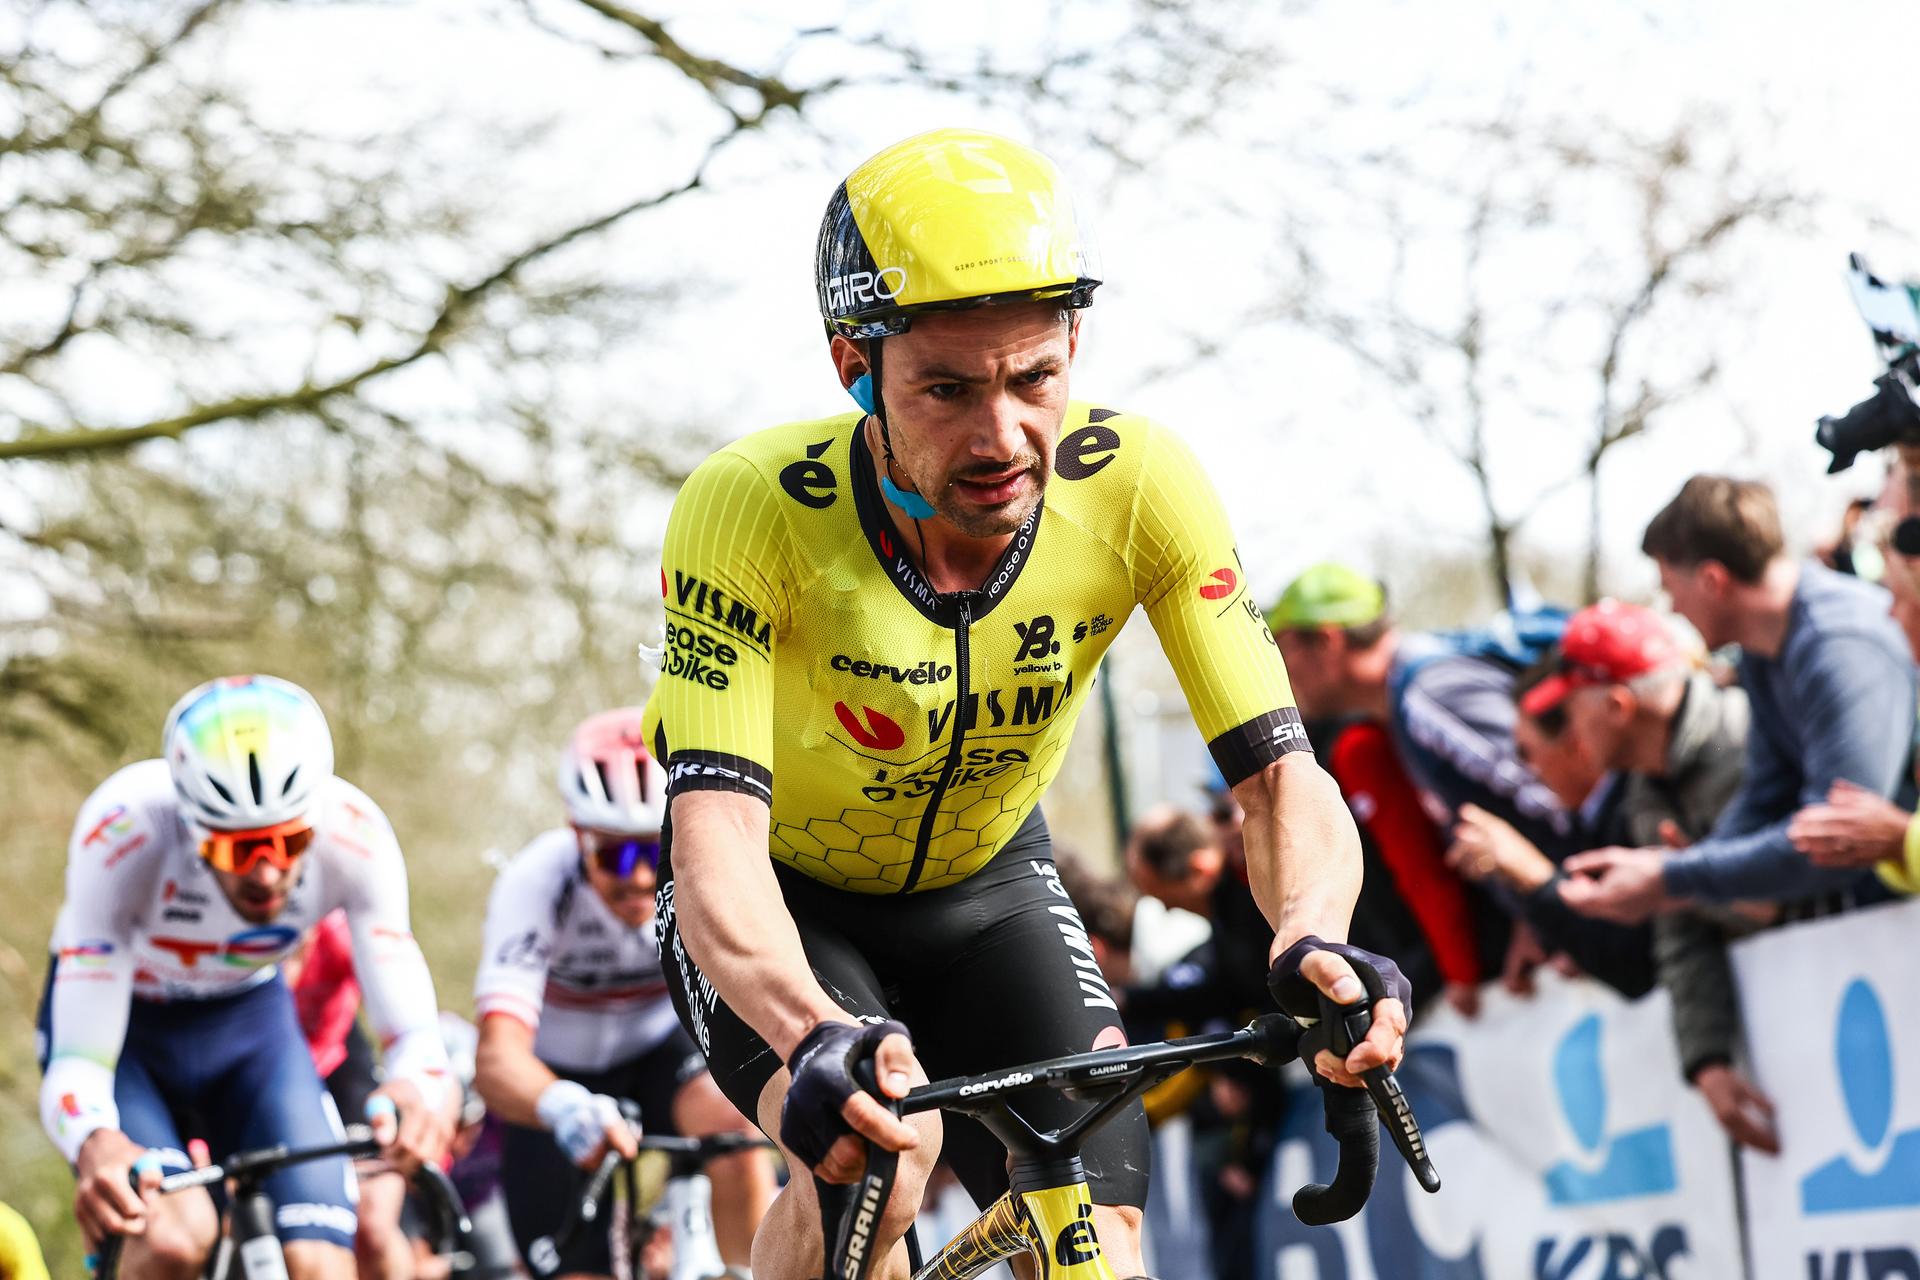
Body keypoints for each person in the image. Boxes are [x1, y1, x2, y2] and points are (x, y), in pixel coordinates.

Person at [643, 128, 1408, 1279]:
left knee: (1098, 1235)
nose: (1002, 436)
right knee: (875, 1166)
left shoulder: (1141, 485)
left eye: (1034, 378)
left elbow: (1276, 776)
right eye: (946, 389)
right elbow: (716, 838)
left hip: (990, 884)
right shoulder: (750, 506)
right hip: (790, 897)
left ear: (1073, 347)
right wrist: (811, 1032)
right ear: (856, 366)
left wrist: (1313, 933)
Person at [39, 674, 454, 1280]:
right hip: (129, 1031)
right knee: (174, 1238)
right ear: (193, 828)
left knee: (320, 1264)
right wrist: (93, 1137)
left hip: (249, 1022)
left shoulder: (355, 835)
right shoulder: (126, 830)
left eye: (290, 842)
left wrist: (416, 1087)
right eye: (237, 851)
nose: (266, 873)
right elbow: (78, 1058)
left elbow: (414, 1033)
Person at [473, 709, 772, 1279]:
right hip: (556, 1073)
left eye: (652, 850)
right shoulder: (537, 882)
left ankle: (749, 1268)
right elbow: (496, 1059)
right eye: (614, 855)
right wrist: (560, 1104)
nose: (637, 878)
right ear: (577, 835)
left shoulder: (704, 869)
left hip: (661, 1056)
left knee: (733, 1119)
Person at [1561, 476, 1916, 921]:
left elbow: (1839, 841)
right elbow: (1766, 794)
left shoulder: (1839, 644)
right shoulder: (1761, 650)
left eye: (1670, 589)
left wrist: (1676, 875)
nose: (1672, 609)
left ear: (1712, 580)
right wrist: (1693, 865)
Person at [1271, 562, 1567, 979]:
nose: (1279, 672)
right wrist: (1532, 916)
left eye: (1282, 651)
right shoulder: (1400, 705)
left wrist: (1562, 913)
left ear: (1327, 642)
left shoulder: (1430, 692)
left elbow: (1558, 793)